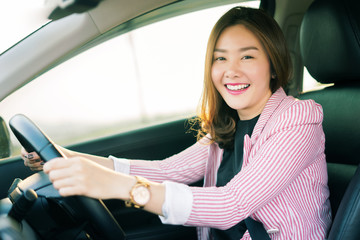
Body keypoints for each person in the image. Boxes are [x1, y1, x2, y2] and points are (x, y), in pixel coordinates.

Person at [22, 6, 331, 239]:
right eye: (220, 58)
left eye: (247, 57)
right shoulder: (227, 127)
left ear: (273, 65)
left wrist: (118, 187)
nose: (230, 71)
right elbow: (166, 171)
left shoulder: (297, 119)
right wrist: (65, 157)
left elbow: (231, 205)